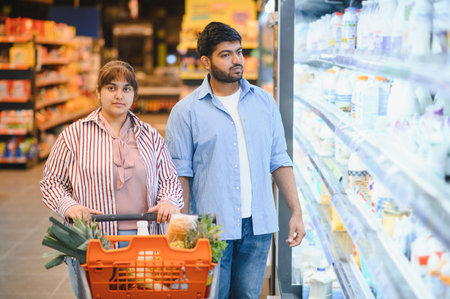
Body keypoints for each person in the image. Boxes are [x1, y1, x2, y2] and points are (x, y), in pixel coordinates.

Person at [166, 22, 306, 299]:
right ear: (206, 61)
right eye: (226, 54)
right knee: (209, 296)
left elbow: (279, 160)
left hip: (258, 226)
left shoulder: (265, 103)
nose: (237, 60)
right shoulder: (186, 111)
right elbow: (181, 174)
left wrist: (296, 211)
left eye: (239, 52)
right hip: (209, 227)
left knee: (247, 296)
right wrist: (180, 233)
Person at [40, 60, 183, 297]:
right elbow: (51, 182)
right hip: (94, 241)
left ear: (134, 94)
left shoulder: (150, 136)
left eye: (127, 88)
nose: (119, 95)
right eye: (111, 87)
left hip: (145, 240)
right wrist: (71, 207)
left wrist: (169, 200)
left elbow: (169, 179)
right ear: (98, 92)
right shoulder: (74, 135)